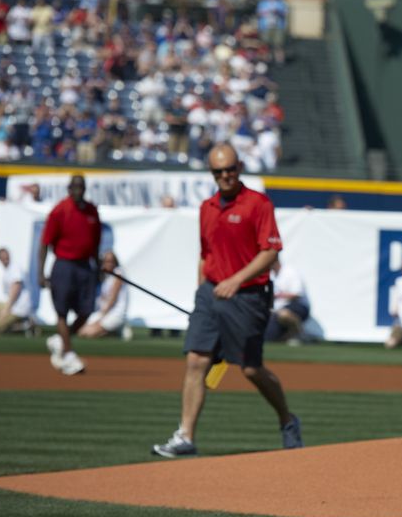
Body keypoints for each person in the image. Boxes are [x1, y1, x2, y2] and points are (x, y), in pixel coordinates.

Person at [151, 144, 303, 458]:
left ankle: (287, 420)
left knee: (250, 369)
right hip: (211, 292)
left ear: (239, 167)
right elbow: (204, 255)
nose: (225, 176)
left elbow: (271, 250)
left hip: (248, 297)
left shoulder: (257, 204)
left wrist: (237, 280)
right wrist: (200, 293)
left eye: (230, 169)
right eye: (218, 171)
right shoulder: (206, 208)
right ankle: (185, 437)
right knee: (196, 360)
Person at [38, 174, 101, 375]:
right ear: (69, 189)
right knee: (62, 311)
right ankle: (68, 354)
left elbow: (96, 243)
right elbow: (45, 243)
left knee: (87, 310)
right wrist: (41, 273)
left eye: (81, 187)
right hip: (64, 265)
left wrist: (98, 267)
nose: (78, 190)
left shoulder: (92, 211)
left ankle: (61, 341)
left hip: (85, 266)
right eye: (74, 187)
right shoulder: (60, 210)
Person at [78, 252, 130, 339]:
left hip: (115, 313)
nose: (108, 264)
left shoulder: (118, 273)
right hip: (102, 311)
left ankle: (117, 327)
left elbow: (113, 298)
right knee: (81, 331)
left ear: (115, 262)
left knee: (89, 333)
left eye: (111, 261)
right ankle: (115, 330)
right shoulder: (104, 276)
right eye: (106, 261)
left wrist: (101, 317)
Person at [0, 247, 33, 336]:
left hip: (19, 309)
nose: (5, 259)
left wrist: (6, 309)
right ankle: (17, 323)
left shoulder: (15, 268)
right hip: (12, 305)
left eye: (6, 257)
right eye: (3, 258)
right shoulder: (7, 270)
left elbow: (16, 288)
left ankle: (23, 326)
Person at [264, 257, 309, 344]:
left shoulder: (290, 272)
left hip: (297, 306)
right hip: (277, 310)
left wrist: (277, 295)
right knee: (269, 336)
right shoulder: (272, 275)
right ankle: (285, 337)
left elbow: (297, 294)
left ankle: (299, 334)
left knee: (283, 314)